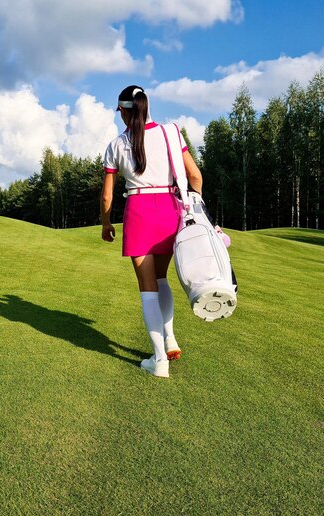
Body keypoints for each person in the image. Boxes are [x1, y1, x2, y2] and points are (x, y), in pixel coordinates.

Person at [100, 85, 203, 378]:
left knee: (147, 289)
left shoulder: (116, 145)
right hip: (170, 211)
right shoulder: (172, 133)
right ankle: (169, 338)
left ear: (123, 111)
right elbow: (195, 175)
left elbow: (107, 196)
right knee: (161, 278)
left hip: (139, 213)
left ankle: (160, 361)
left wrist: (106, 223)